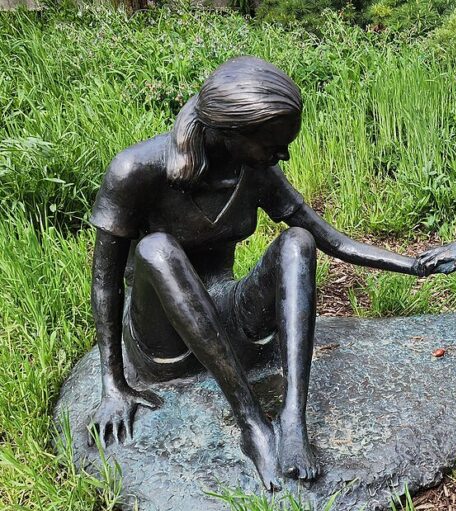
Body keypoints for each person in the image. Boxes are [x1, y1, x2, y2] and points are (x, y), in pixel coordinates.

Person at [89, 56, 420, 489]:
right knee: (156, 249)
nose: (282, 154)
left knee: (297, 241)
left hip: (228, 322)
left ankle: (292, 417)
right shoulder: (135, 170)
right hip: (164, 341)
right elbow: (104, 283)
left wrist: (410, 264)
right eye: (271, 144)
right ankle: (251, 424)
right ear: (229, 132)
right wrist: (113, 384)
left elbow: (327, 237)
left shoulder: (256, 170)